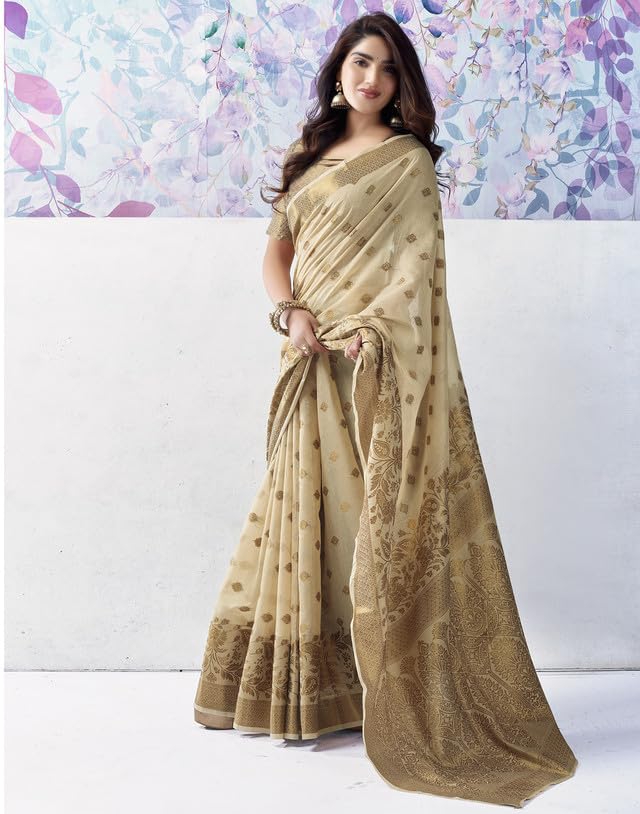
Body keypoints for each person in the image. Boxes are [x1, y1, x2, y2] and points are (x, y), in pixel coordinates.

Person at [193, 11, 578, 808]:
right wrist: (289, 313)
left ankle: (391, 687)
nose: (373, 79)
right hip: (308, 356)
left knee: (376, 518)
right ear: (339, 69)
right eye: (362, 63)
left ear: (402, 84)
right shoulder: (307, 157)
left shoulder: (405, 163)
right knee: (304, 509)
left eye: (389, 69)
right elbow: (276, 251)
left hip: (371, 361)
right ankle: (308, 691)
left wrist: (371, 330)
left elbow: (417, 271)